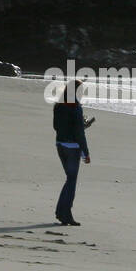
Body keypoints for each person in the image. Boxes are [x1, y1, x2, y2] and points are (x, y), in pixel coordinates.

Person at [53, 79, 91, 225]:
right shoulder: (75, 107)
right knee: (71, 180)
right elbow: (79, 134)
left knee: (69, 179)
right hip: (72, 147)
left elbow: (56, 126)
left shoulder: (59, 105)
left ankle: (62, 212)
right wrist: (85, 152)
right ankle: (65, 214)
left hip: (60, 144)